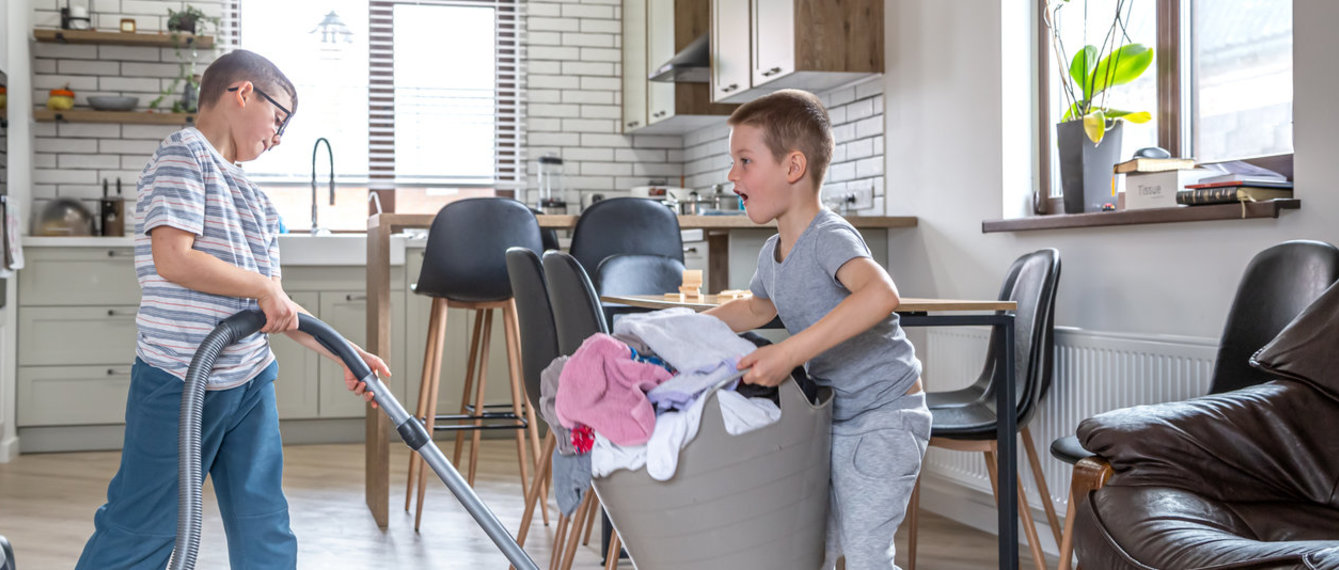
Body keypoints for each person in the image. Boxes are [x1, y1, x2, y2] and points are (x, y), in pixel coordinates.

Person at [75, 49, 391, 570]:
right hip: (178, 380)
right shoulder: (182, 156)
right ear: (243, 93)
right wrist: (261, 286)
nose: (279, 136)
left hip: (249, 382)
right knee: (145, 526)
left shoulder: (258, 200)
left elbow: (277, 306)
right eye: (279, 119)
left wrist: (345, 352)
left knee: (264, 522)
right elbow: (173, 259)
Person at [705, 89, 930, 570]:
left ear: (792, 168)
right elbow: (754, 310)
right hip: (833, 418)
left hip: (885, 416)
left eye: (745, 161)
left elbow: (880, 294)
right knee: (812, 550)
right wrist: (680, 328)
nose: (732, 176)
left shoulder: (829, 235)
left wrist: (788, 354)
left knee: (868, 553)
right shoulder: (772, 253)